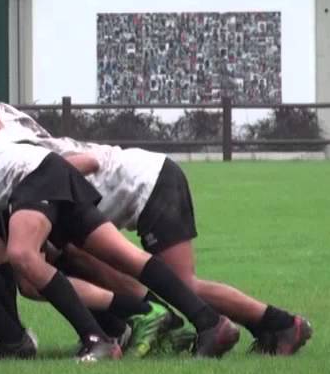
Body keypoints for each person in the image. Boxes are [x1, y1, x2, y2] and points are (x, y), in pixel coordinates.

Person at [40, 137, 312, 356]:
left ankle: (283, 324)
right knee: (83, 258)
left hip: (148, 183)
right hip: (150, 177)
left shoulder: (19, 151)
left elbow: (89, 162)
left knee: (181, 285)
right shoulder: (19, 138)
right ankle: (265, 328)